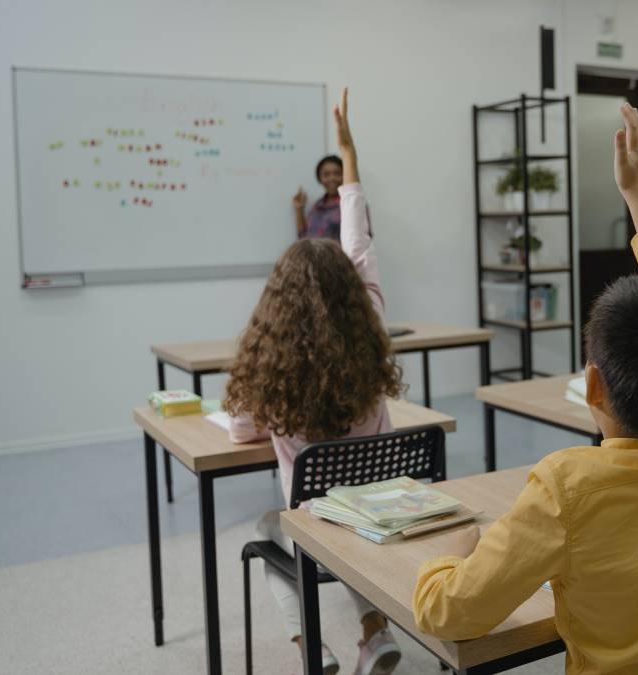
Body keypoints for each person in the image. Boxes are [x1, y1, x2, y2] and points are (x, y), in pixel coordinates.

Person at [411, 103, 638, 674]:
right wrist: (636, 193)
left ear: (592, 384)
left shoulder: (565, 489)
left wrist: (446, 560)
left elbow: (448, 612)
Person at [224, 88, 402, 675]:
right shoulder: (370, 319)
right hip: (380, 508)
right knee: (348, 523)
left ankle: (312, 650)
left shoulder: (270, 369)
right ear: (354, 293)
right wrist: (351, 153)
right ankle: (375, 633)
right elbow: (358, 240)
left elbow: (242, 431)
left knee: (275, 528)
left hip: (319, 519)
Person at [293, 155, 344, 239]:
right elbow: (304, 236)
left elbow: (362, 240)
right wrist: (299, 209)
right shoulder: (317, 206)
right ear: (320, 178)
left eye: (337, 173)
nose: (332, 178)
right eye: (326, 174)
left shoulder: (352, 204)